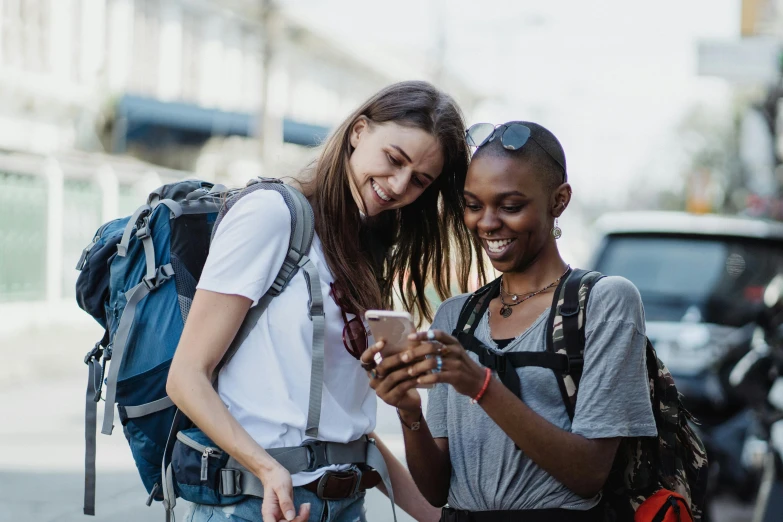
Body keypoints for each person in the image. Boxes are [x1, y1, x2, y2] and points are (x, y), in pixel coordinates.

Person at [166, 81, 483, 522]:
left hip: (344, 506)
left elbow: (348, 429)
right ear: (358, 131)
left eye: (420, 181)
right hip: (256, 507)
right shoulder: (272, 215)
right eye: (394, 159)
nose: (398, 185)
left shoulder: (362, 248)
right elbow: (185, 378)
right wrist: (267, 470)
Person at [364, 121, 657, 521]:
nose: (487, 223)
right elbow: (434, 492)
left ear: (559, 200)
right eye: (473, 205)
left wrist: (481, 384)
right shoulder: (457, 315)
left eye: (510, 206)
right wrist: (409, 412)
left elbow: (588, 474)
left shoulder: (604, 301)